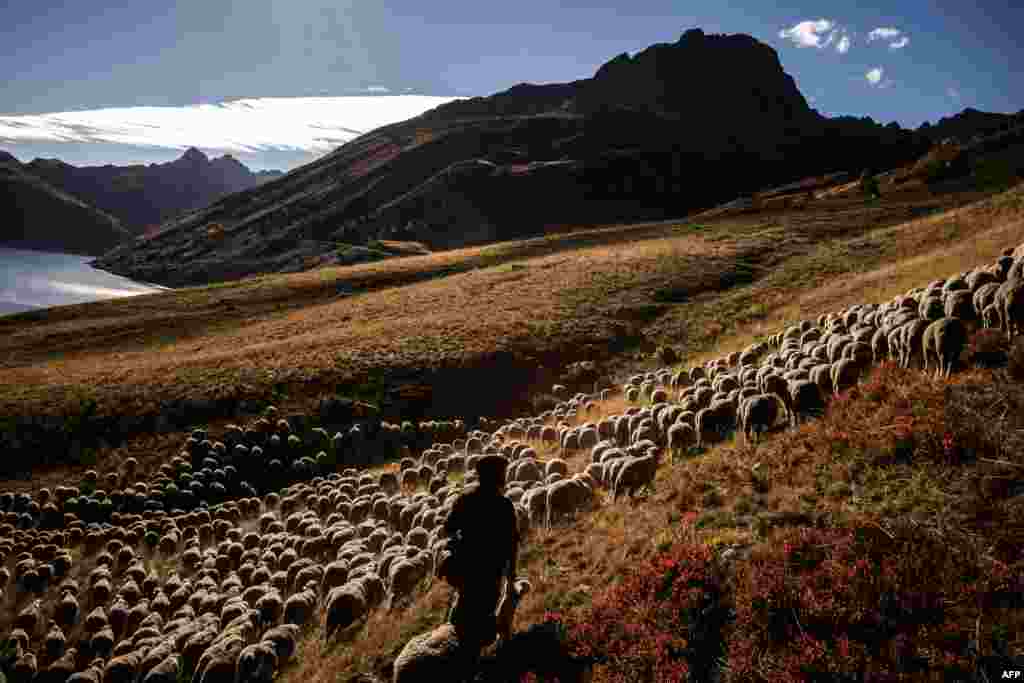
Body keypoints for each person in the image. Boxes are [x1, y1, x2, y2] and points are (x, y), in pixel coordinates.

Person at [442, 454, 520, 656]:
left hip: (466, 568)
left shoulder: (465, 499)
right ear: (496, 476)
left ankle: (457, 653)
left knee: (463, 610)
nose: (505, 477)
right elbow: (512, 543)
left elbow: (448, 527)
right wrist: (511, 576)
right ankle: (472, 660)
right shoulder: (503, 505)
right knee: (482, 615)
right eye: (503, 473)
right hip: (490, 572)